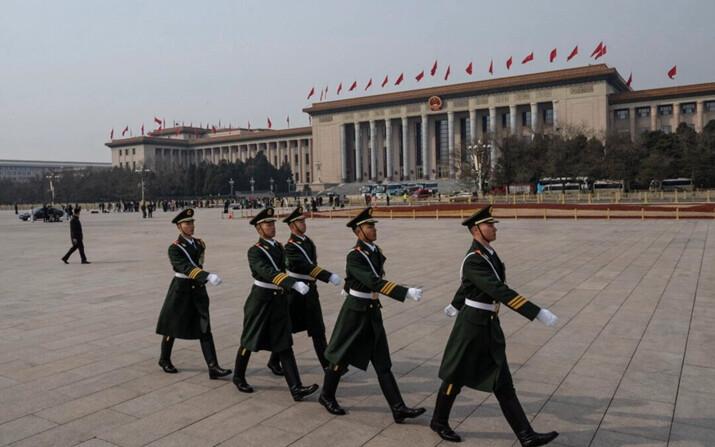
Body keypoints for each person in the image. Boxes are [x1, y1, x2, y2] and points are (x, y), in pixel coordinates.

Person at [430, 206, 559, 445]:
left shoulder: (488, 254)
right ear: (476, 230)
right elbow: (498, 289)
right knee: (454, 376)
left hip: (488, 325)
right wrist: (536, 311)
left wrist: (455, 304)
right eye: (489, 225)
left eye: (493, 224)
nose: (494, 228)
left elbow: (469, 285)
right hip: (471, 327)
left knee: (502, 382)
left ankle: (526, 435)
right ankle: (439, 421)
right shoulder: (474, 260)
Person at [319, 207, 426, 423]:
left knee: (382, 362)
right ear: (359, 231)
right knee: (340, 356)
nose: (374, 229)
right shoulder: (355, 255)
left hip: (372, 311)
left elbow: (362, 278)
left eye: (374, 225)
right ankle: (326, 396)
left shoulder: (374, 251)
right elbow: (372, 281)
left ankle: (398, 408)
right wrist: (404, 292)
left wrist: (349, 284)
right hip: (355, 312)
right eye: (370, 226)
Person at [231, 207, 319, 402]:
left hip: (278, 300)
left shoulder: (279, 247)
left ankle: (296, 388)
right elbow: (267, 272)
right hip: (261, 300)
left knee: (284, 344)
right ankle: (238, 376)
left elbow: (287, 266)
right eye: (267, 224)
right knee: (249, 340)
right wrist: (292, 283)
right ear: (258, 228)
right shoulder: (255, 251)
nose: (272, 227)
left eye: (272, 223)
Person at [155, 208, 232, 380]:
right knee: (172, 326)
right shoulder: (174, 248)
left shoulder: (199, 244)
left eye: (192, 223)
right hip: (181, 288)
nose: (191, 226)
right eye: (187, 223)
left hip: (197, 289)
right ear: (179, 227)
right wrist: (207, 276)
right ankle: (164, 359)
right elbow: (186, 268)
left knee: (205, 326)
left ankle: (213, 367)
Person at [265, 206, 342, 375]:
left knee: (318, 330)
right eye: (300, 221)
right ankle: (273, 361)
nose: (303, 224)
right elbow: (306, 266)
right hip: (296, 293)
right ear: (292, 225)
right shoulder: (291, 247)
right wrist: (328, 276)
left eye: (304, 220)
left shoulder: (308, 242)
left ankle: (328, 366)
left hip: (311, 291)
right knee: (287, 330)